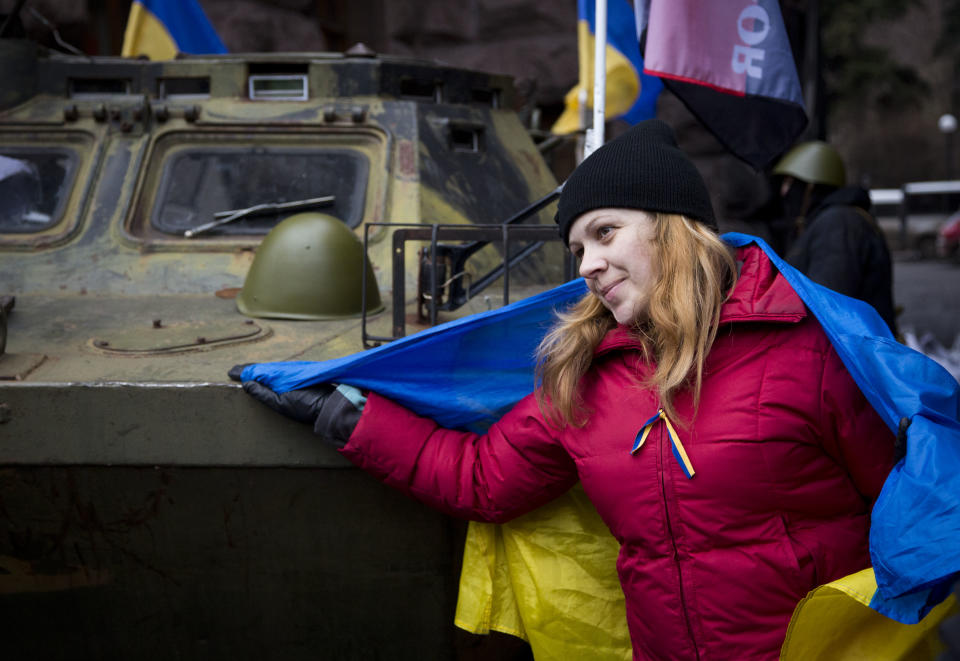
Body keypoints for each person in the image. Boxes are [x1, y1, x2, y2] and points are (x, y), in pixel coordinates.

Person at [236, 120, 896, 660]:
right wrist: (343, 414)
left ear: (672, 224)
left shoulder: (809, 350)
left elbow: (907, 505)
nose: (588, 265)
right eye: (577, 248)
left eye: (605, 232)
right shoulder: (585, 379)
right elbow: (480, 479)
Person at [772, 140, 897, 333]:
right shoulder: (829, 222)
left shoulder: (839, 223)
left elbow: (826, 304)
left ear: (810, 187)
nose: (783, 191)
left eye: (789, 182)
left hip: (850, 357)